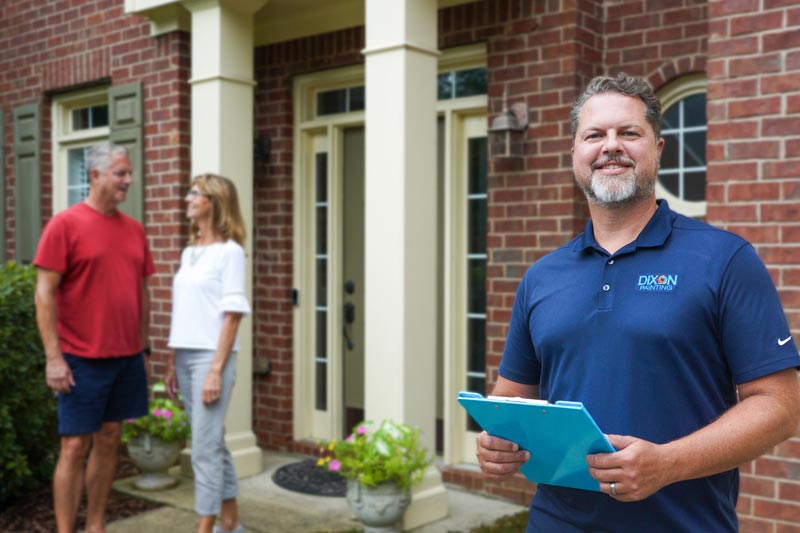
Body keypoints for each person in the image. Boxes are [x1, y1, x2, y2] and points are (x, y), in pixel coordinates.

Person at [475, 73, 800, 532]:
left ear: (658, 149)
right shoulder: (542, 277)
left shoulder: (724, 259)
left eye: (629, 133)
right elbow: (512, 397)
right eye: (594, 135)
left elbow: (781, 408)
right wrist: (497, 439)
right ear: (575, 154)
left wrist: (668, 462)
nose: (611, 146)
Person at [34, 143, 154, 533]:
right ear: (96, 175)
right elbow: (44, 292)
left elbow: (142, 291)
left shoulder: (135, 230)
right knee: (73, 446)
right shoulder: (64, 225)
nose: (128, 181)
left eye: (128, 173)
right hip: (81, 358)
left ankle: (96, 526)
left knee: (110, 438)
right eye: (120, 173)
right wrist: (54, 357)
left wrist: (144, 346)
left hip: (126, 356)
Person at [165, 173, 250, 533]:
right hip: (185, 358)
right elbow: (185, 309)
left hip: (210, 359)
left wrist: (216, 369)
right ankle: (230, 521)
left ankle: (205, 526)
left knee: (202, 448)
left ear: (214, 203)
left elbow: (232, 316)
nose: (187, 198)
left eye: (195, 194)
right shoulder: (190, 252)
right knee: (210, 440)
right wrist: (172, 361)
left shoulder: (230, 252)